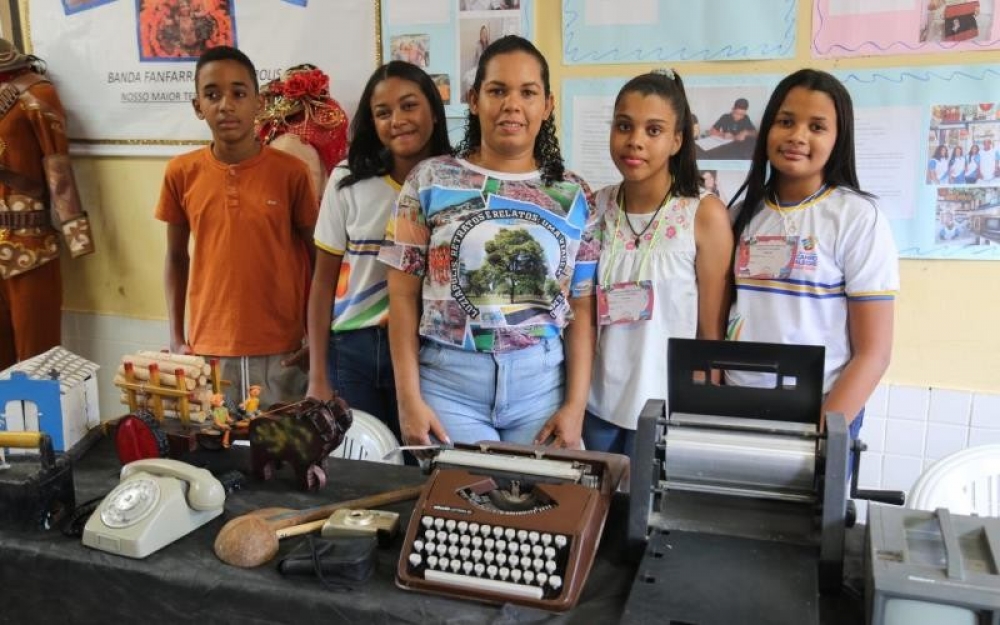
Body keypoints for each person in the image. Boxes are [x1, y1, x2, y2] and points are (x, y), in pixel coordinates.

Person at [378, 35, 599, 449]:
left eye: (528, 92)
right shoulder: (429, 181)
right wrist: (408, 400)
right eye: (497, 90)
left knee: (541, 510)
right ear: (474, 99)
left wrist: (575, 407)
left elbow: (583, 307)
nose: (512, 104)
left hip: (542, 389)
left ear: (547, 105)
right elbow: (402, 298)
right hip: (448, 386)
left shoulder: (575, 195)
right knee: (458, 507)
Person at [727, 69, 899, 440]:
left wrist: (822, 435)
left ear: (838, 139)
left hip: (821, 409)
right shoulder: (740, 216)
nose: (797, 136)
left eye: (817, 127)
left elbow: (874, 353)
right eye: (786, 121)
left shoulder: (857, 218)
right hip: (738, 406)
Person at [155, 46, 318, 408]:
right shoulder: (181, 173)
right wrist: (176, 335)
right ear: (198, 106)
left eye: (238, 93)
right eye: (212, 95)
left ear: (258, 103)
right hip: (208, 350)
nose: (226, 105)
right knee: (218, 453)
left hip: (284, 350)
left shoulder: (290, 173)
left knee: (282, 453)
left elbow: (317, 260)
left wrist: (318, 337)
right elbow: (176, 258)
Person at [584, 70, 733, 456]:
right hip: (595, 407)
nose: (635, 141)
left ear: (677, 140)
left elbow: (711, 333)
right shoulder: (594, 208)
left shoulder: (703, 214)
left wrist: (697, 417)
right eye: (624, 126)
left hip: (665, 411)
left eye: (653, 130)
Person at [306, 61, 452, 439]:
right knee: (362, 463)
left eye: (409, 106)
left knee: (419, 458)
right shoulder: (346, 181)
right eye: (383, 113)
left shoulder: (456, 183)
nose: (397, 120)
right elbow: (322, 283)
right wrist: (317, 375)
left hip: (428, 350)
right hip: (353, 349)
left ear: (434, 112)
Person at [0, 39, 94, 370]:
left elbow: (59, 170)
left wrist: (76, 235)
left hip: (30, 249)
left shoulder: (36, 94)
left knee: (37, 363)